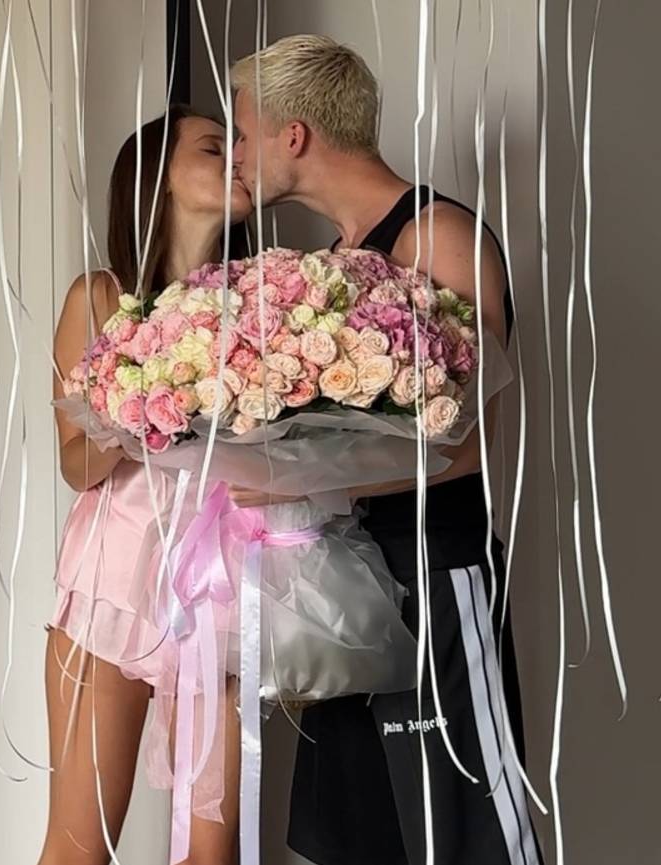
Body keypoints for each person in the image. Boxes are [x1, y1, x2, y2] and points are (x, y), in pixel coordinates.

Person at [228, 35, 541, 865]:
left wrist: (289, 477)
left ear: (294, 134)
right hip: (342, 588)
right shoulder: (325, 265)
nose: (237, 155)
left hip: (433, 571)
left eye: (243, 132)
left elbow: (464, 447)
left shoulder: (438, 237)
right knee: (352, 843)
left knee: (471, 836)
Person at [40, 105, 252, 865]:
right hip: (110, 584)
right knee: (79, 848)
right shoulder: (97, 298)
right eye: (214, 147)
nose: (237, 159)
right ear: (157, 176)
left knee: (211, 856)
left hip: (222, 588)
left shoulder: (263, 301)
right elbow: (75, 467)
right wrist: (134, 413)